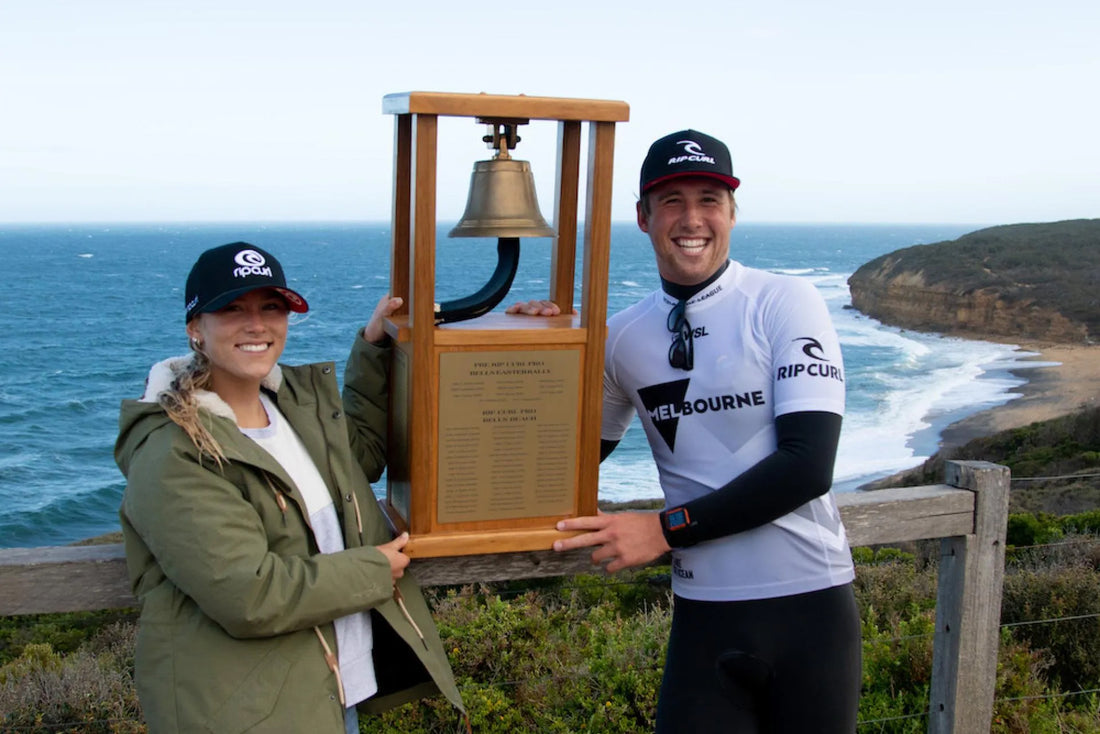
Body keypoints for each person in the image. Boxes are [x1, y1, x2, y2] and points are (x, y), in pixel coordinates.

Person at [508, 130, 861, 732]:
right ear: (643, 217)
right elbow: (556, 473)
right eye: (671, 200)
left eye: (709, 199)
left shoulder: (784, 302)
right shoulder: (621, 337)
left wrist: (665, 530)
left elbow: (806, 466)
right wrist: (547, 350)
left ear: (731, 214)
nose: (691, 218)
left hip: (810, 610)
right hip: (704, 617)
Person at [116, 242, 464, 733]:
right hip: (243, 714)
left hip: (324, 693)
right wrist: (373, 570)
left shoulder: (291, 408)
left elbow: (359, 455)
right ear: (196, 328)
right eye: (231, 308)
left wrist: (376, 345)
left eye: (271, 307)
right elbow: (249, 595)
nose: (256, 324)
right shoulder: (173, 451)